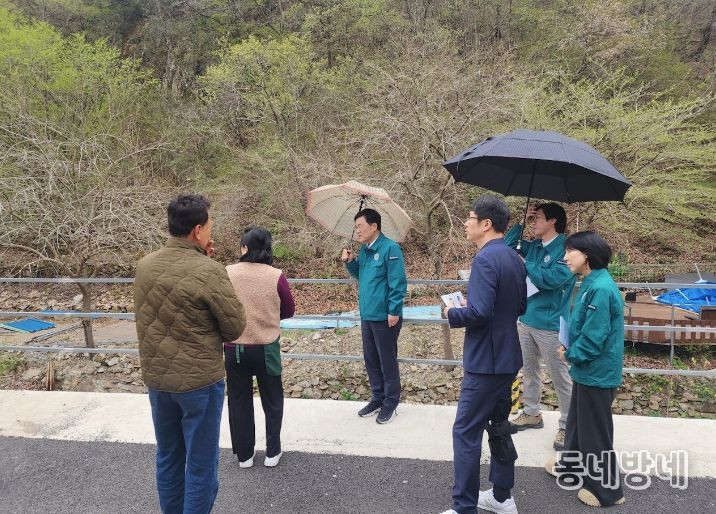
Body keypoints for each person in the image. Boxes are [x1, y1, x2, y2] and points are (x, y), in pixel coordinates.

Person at [135, 193, 247, 514]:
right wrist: (207, 265)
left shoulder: (144, 266)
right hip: (199, 383)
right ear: (198, 230)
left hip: (159, 380)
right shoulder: (209, 270)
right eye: (209, 225)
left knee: (168, 456)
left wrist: (203, 261)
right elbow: (234, 328)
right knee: (200, 463)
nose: (211, 230)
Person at [440, 195, 527, 514]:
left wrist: (452, 312)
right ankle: (502, 497)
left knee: (466, 431)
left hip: (485, 362)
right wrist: (474, 306)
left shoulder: (485, 259)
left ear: (486, 224)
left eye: (470, 217)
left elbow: (479, 312)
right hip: (507, 357)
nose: (465, 223)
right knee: (498, 424)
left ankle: (464, 507)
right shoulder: (515, 258)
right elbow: (520, 307)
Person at [545, 231, 625, 507]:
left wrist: (571, 353)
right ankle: (571, 466)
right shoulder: (591, 282)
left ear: (587, 255)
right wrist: (570, 347)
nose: (565, 256)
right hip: (587, 370)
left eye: (571, 251)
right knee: (578, 423)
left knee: (595, 433)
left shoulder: (601, 289)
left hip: (597, 372)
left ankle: (608, 491)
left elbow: (594, 337)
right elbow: (585, 327)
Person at [504, 203, 576, 450]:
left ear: (553, 221)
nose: (534, 222)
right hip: (526, 317)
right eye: (532, 218)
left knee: (560, 376)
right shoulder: (533, 245)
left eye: (538, 218)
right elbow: (506, 246)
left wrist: (525, 263)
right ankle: (532, 412)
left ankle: (568, 425)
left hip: (551, 324)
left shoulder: (567, 250)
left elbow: (551, 279)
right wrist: (520, 222)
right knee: (529, 369)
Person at [224, 227, 296, 469]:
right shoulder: (276, 275)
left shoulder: (228, 272)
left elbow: (220, 307)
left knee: (239, 401)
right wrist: (269, 316)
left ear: (245, 247)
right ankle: (272, 452)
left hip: (235, 347)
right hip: (266, 348)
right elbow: (289, 309)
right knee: (272, 400)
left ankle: (245, 456)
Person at [341, 208, 407, 424]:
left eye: (360, 226)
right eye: (356, 227)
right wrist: (350, 261)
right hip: (367, 315)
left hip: (385, 317)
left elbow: (398, 282)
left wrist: (394, 310)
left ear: (374, 226)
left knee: (387, 361)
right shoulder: (364, 250)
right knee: (371, 360)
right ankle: (377, 398)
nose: (357, 231)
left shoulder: (390, 248)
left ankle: (391, 401)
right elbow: (361, 275)